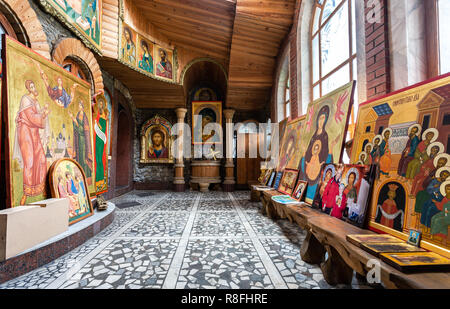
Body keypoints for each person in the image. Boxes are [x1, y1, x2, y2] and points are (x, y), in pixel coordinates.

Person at [13, 80, 50, 205]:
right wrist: (42, 116)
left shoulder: (36, 102)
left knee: (42, 160)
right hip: (25, 132)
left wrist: (44, 113)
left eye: (34, 86)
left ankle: (41, 188)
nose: (34, 88)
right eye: (31, 87)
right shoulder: (25, 100)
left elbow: (39, 119)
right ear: (29, 89)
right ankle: (26, 193)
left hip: (34, 132)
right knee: (29, 162)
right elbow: (31, 117)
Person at [299, 105, 339, 201]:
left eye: (323, 118)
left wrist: (332, 147)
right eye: (320, 118)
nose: (321, 121)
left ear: (325, 121)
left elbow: (326, 157)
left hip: (317, 171)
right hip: (309, 169)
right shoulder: (313, 137)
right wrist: (305, 155)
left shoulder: (325, 136)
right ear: (317, 120)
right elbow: (307, 154)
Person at [69, 100, 93, 178]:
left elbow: (84, 130)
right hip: (78, 139)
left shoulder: (84, 117)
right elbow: (76, 126)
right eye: (78, 106)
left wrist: (75, 120)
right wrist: (74, 120)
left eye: (79, 106)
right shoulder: (78, 114)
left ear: (82, 107)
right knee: (79, 156)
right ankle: (80, 173)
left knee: (83, 156)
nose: (78, 107)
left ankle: (85, 173)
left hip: (83, 140)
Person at [94, 97, 108, 189]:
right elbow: (96, 121)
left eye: (102, 103)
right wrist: (97, 123)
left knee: (101, 156)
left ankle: (101, 180)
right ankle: (98, 179)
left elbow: (105, 123)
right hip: (98, 135)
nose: (101, 105)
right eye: (100, 103)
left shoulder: (105, 114)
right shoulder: (96, 114)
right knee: (98, 156)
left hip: (102, 136)